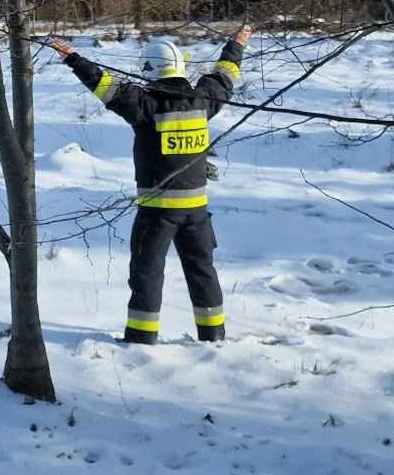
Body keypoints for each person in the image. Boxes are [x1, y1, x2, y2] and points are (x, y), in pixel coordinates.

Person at [49, 25, 251, 345]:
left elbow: (103, 85)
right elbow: (225, 75)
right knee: (203, 272)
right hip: (197, 213)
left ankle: (141, 341)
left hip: (157, 213)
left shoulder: (144, 106)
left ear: (150, 71)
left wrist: (74, 59)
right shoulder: (204, 99)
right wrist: (236, 45)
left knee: (147, 274)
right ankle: (213, 336)